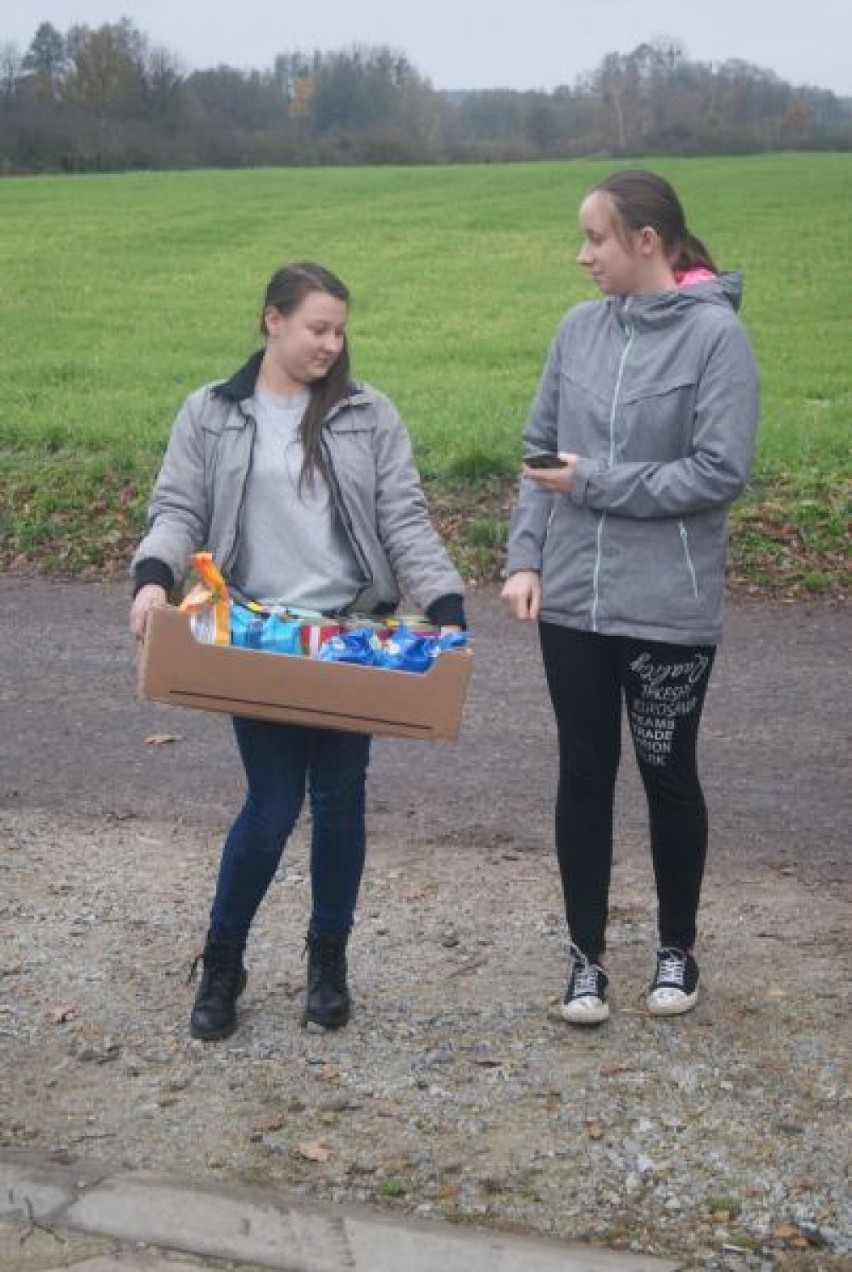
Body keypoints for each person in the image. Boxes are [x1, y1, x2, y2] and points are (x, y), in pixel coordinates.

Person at [129, 261, 465, 1040]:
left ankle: (328, 959)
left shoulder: (367, 414)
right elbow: (177, 507)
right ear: (272, 320)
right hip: (257, 637)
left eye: (340, 330)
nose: (331, 343)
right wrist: (152, 579)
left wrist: (445, 607)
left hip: (350, 637)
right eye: (318, 326)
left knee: (341, 801)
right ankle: (223, 961)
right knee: (273, 804)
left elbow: (404, 520)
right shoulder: (211, 413)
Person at [501, 170, 759, 1025]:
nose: (582, 256)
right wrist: (525, 557)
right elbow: (542, 454)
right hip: (571, 602)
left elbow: (718, 472)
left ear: (646, 241)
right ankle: (586, 961)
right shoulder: (577, 330)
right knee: (583, 775)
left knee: (666, 773)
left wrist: (597, 482)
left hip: (668, 612)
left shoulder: (716, 340)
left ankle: (678, 949)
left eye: (596, 239)